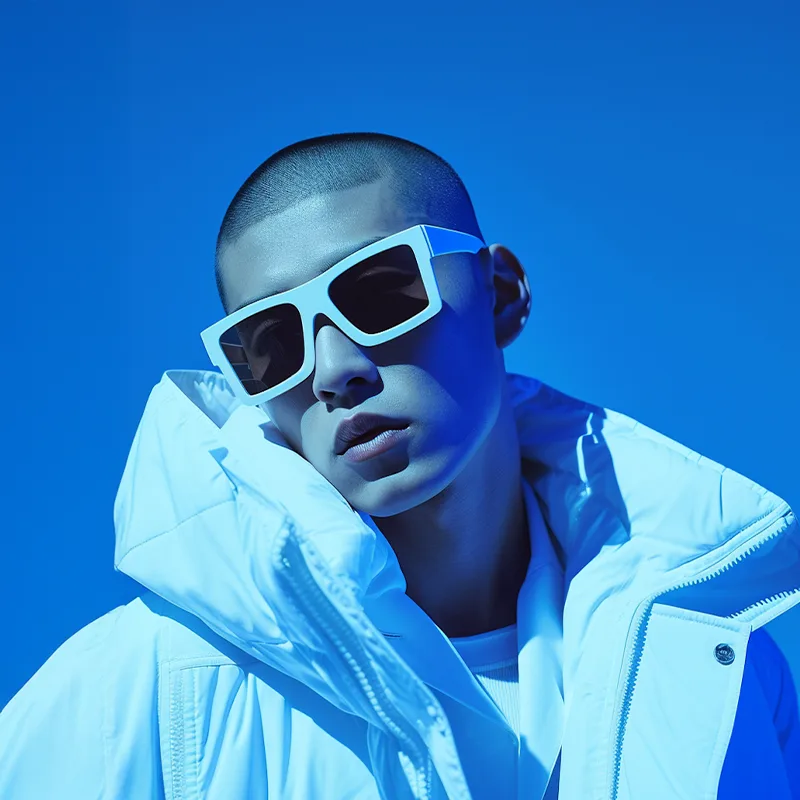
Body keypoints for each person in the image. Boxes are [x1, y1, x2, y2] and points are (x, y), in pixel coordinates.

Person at [1, 132, 798, 800]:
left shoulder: (717, 667)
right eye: (273, 342)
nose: (333, 368)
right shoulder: (133, 687)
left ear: (501, 293)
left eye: (381, 292)